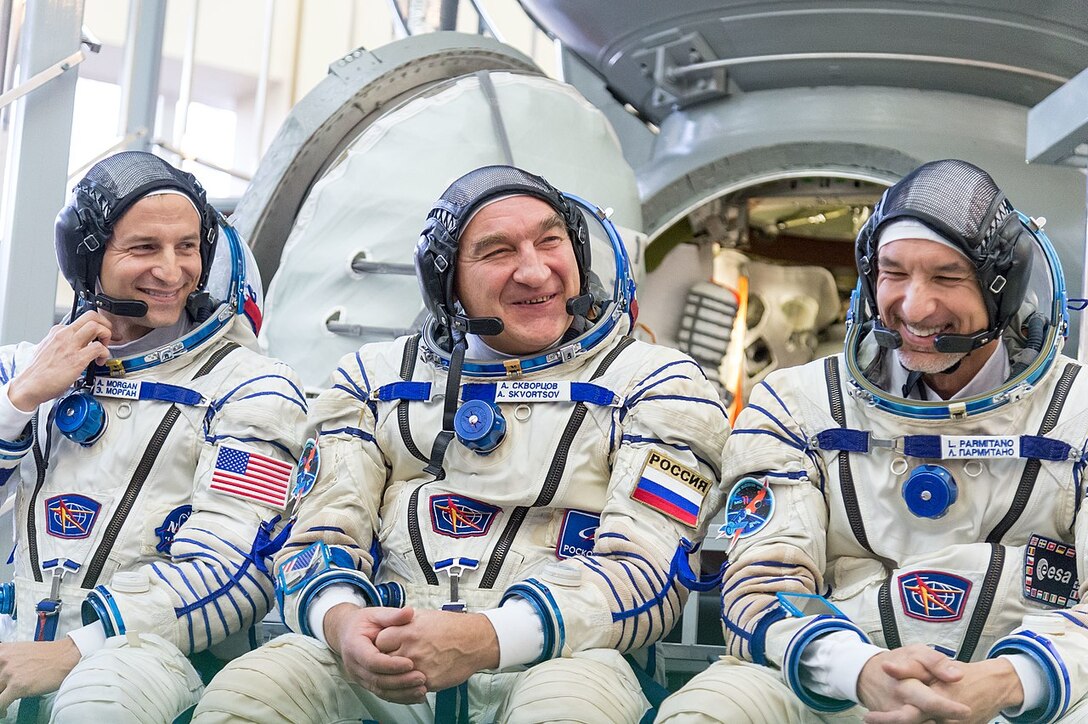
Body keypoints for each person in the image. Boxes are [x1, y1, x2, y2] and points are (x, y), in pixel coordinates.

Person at [194, 165, 728, 723]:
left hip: (563, 658)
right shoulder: (371, 381)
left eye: (551, 241)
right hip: (384, 655)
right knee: (254, 692)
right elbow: (317, 537)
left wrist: (484, 637)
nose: (534, 270)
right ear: (446, 281)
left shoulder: (659, 384)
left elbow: (645, 571)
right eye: (498, 252)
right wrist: (342, 621)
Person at [657, 159, 1088, 723]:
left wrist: (1012, 679)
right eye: (893, 273)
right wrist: (854, 669)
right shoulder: (797, 404)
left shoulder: (1075, 412)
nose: (914, 306)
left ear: (1001, 288)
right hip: (832, 676)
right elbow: (763, 585)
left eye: (946, 277)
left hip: (1032, 684)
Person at [0, 151, 308, 722]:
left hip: (155, 665)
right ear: (87, 257)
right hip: (18, 646)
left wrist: (70, 652)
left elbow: (237, 573)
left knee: (100, 703)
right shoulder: (24, 372)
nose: (170, 271)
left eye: (187, 247)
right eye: (144, 248)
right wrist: (21, 401)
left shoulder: (253, 388)